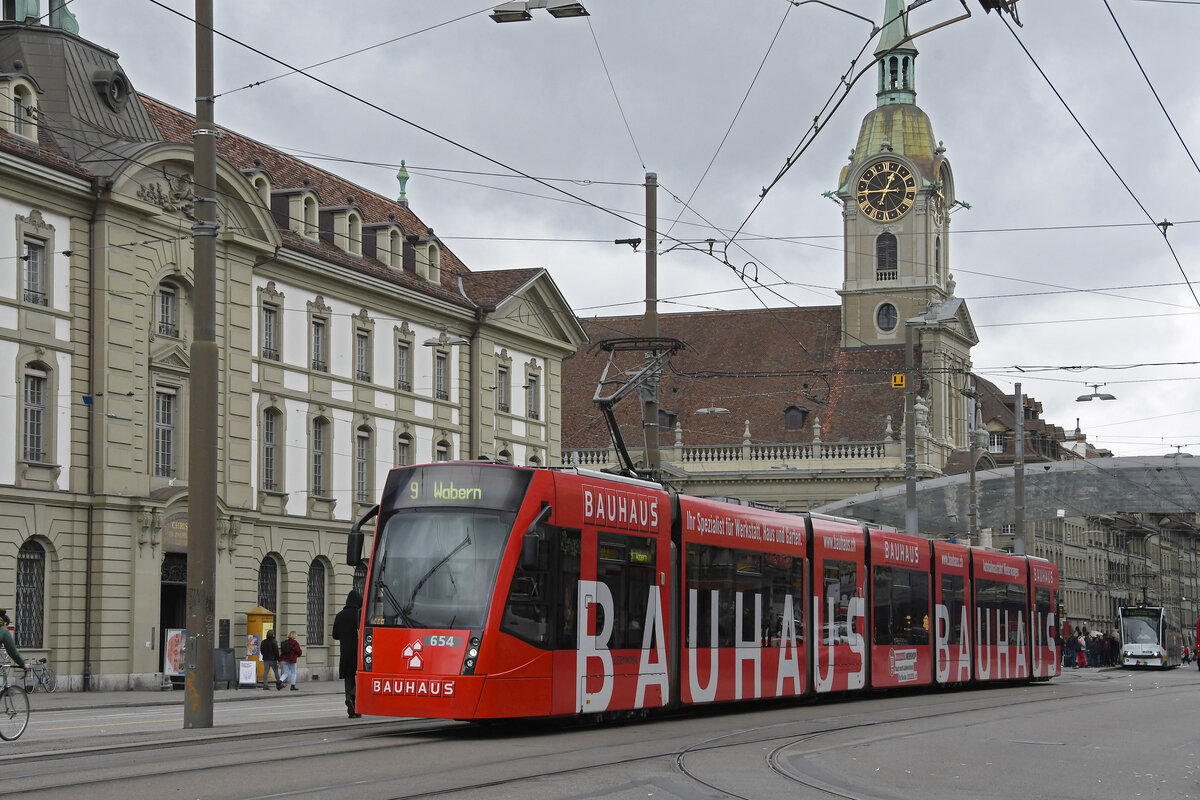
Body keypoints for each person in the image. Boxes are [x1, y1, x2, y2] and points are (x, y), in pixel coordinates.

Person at [331, 590, 362, 718]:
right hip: (359, 651)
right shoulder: (359, 614)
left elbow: (335, 635)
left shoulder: (339, 615)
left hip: (345, 651)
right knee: (360, 678)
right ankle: (354, 699)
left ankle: (350, 704)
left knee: (348, 678)